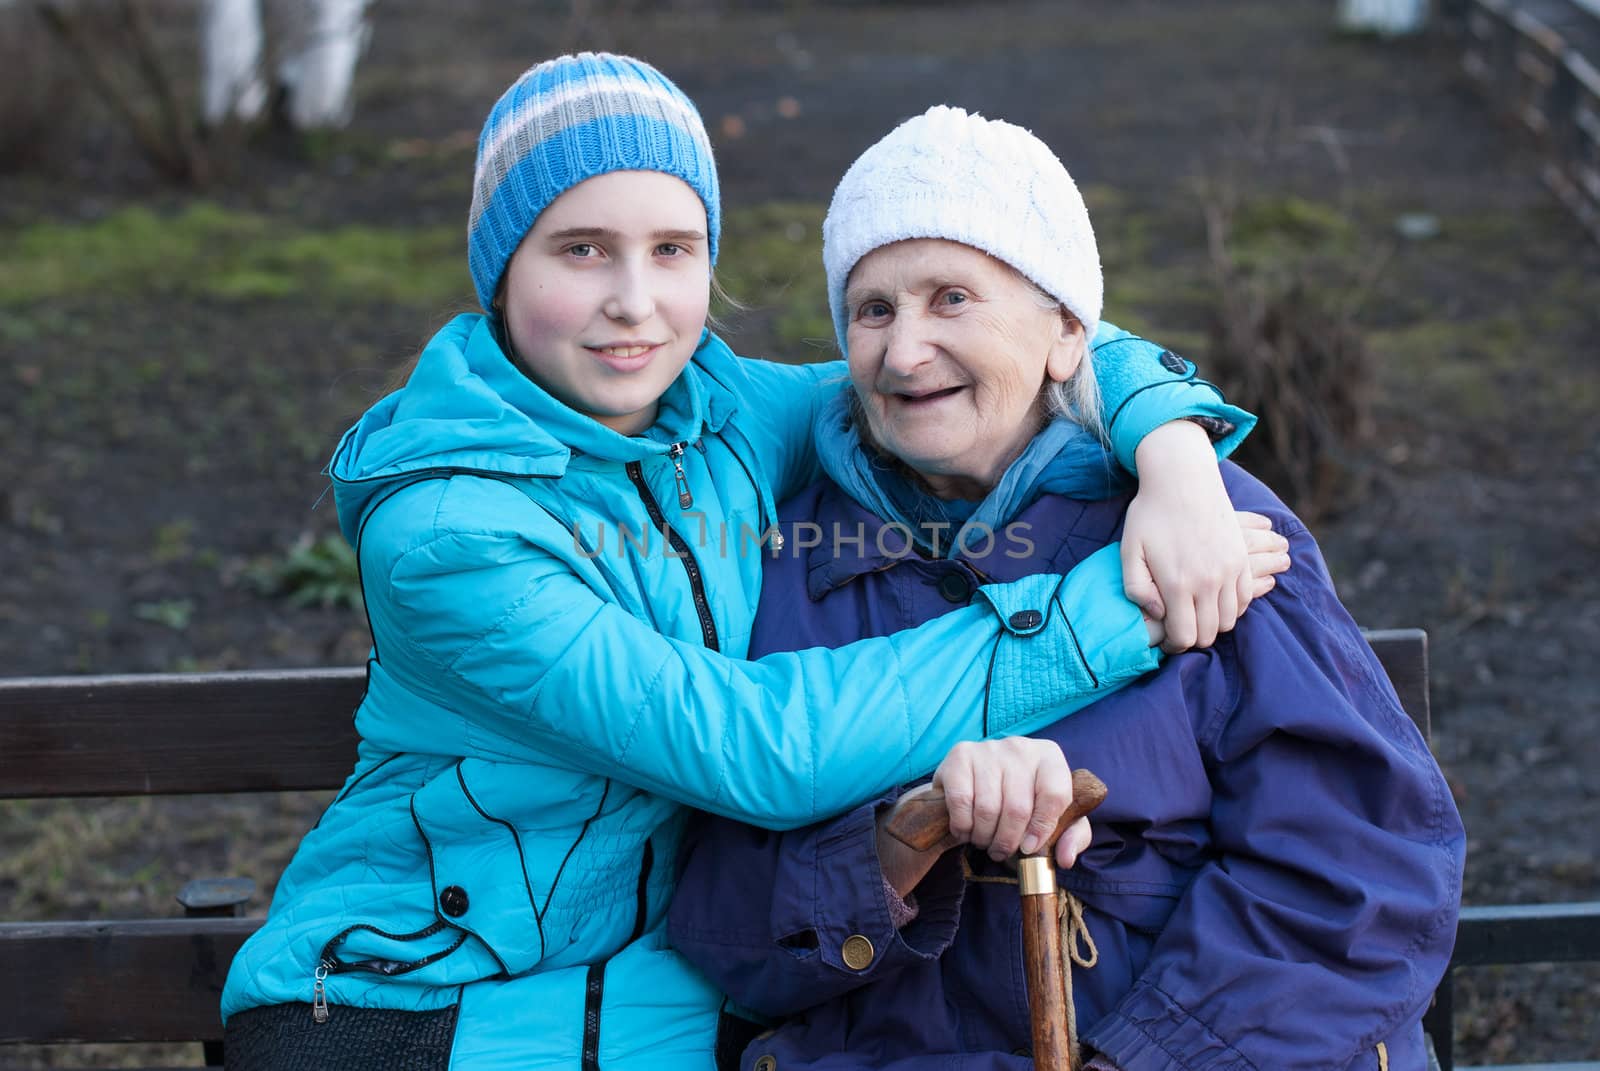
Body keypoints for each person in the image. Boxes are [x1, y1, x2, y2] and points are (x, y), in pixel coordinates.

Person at [218, 56, 1280, 1070]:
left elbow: (1018, 335)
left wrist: (1174, 455)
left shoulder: (718, 418)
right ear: (501, 270)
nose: (635, 300)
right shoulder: (449, 539)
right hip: (410, 1007)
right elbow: (755, 751)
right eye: (580, 249)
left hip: (645, 1002)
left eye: (673, 250)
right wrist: (1111, 612)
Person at [669, 106, 1465, 1071]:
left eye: (952, 297)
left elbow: (1355, 875)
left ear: (1065, 336)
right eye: (873, 309)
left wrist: (1140, 1063)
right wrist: (897, 843)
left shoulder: (1200, 525)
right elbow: (724, 936)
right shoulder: (786, 554)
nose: (903, 350)